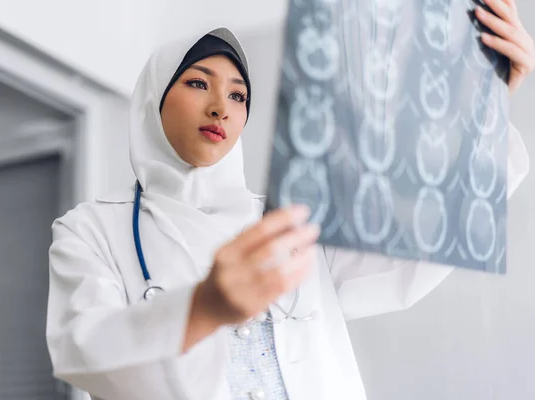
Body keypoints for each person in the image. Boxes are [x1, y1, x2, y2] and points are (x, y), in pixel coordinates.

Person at [46, 5, 534, 399]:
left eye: (239, 97)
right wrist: (203, 307)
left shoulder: (288, 221)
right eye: (198, 83)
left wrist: (480, 106)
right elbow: (82, 348)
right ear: (153, 97)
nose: (221, 106)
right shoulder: (91, 231)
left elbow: (417, 241)